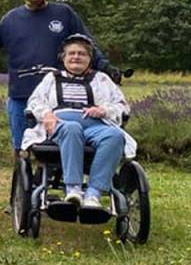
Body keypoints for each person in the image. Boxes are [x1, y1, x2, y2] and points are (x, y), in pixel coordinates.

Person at [0, 0, 115, 153]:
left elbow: (86, 44)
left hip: (58, 96)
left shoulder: (63, 13)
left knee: (58, 147)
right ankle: (23, 180)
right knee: (22, 148)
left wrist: (105, 66)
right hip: (21, 94)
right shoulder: (11, 19)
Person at [22, 33, 136, 211]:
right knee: (72, 128)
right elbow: (34, 102)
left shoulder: (102, 79)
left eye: (81, 54)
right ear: (64, 58)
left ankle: (93, 195)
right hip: (60, 123)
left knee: (115, 136)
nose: (76, 57)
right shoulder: (52, 79)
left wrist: (104, 110)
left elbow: (122, 106)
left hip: (95, 124)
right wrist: (47, 114)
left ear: (90, 59)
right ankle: (73, 189)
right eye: (71, 53)